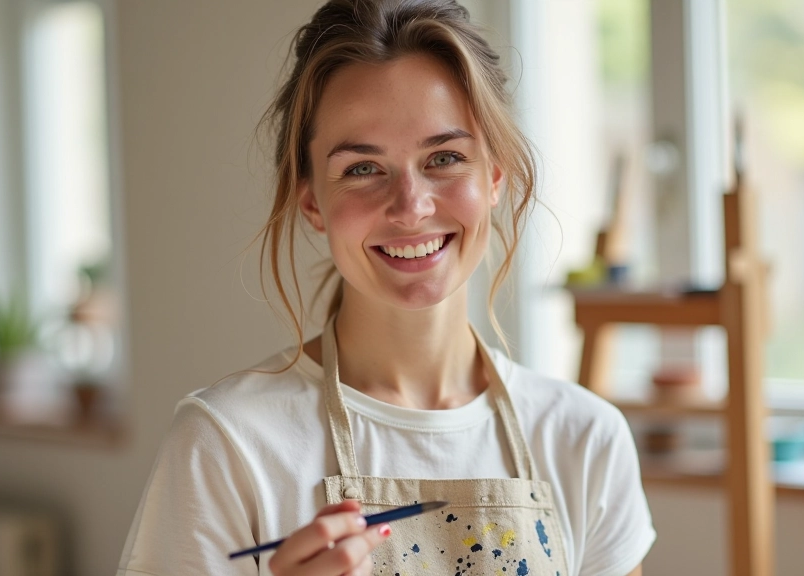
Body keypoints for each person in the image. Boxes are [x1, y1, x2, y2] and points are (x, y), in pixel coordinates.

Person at [117, 1, 656, 575]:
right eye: (362, 169)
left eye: (445, 158)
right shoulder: (225, 444)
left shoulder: (585, 439)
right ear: (311, 203)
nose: (410, 207)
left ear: (494, 178)